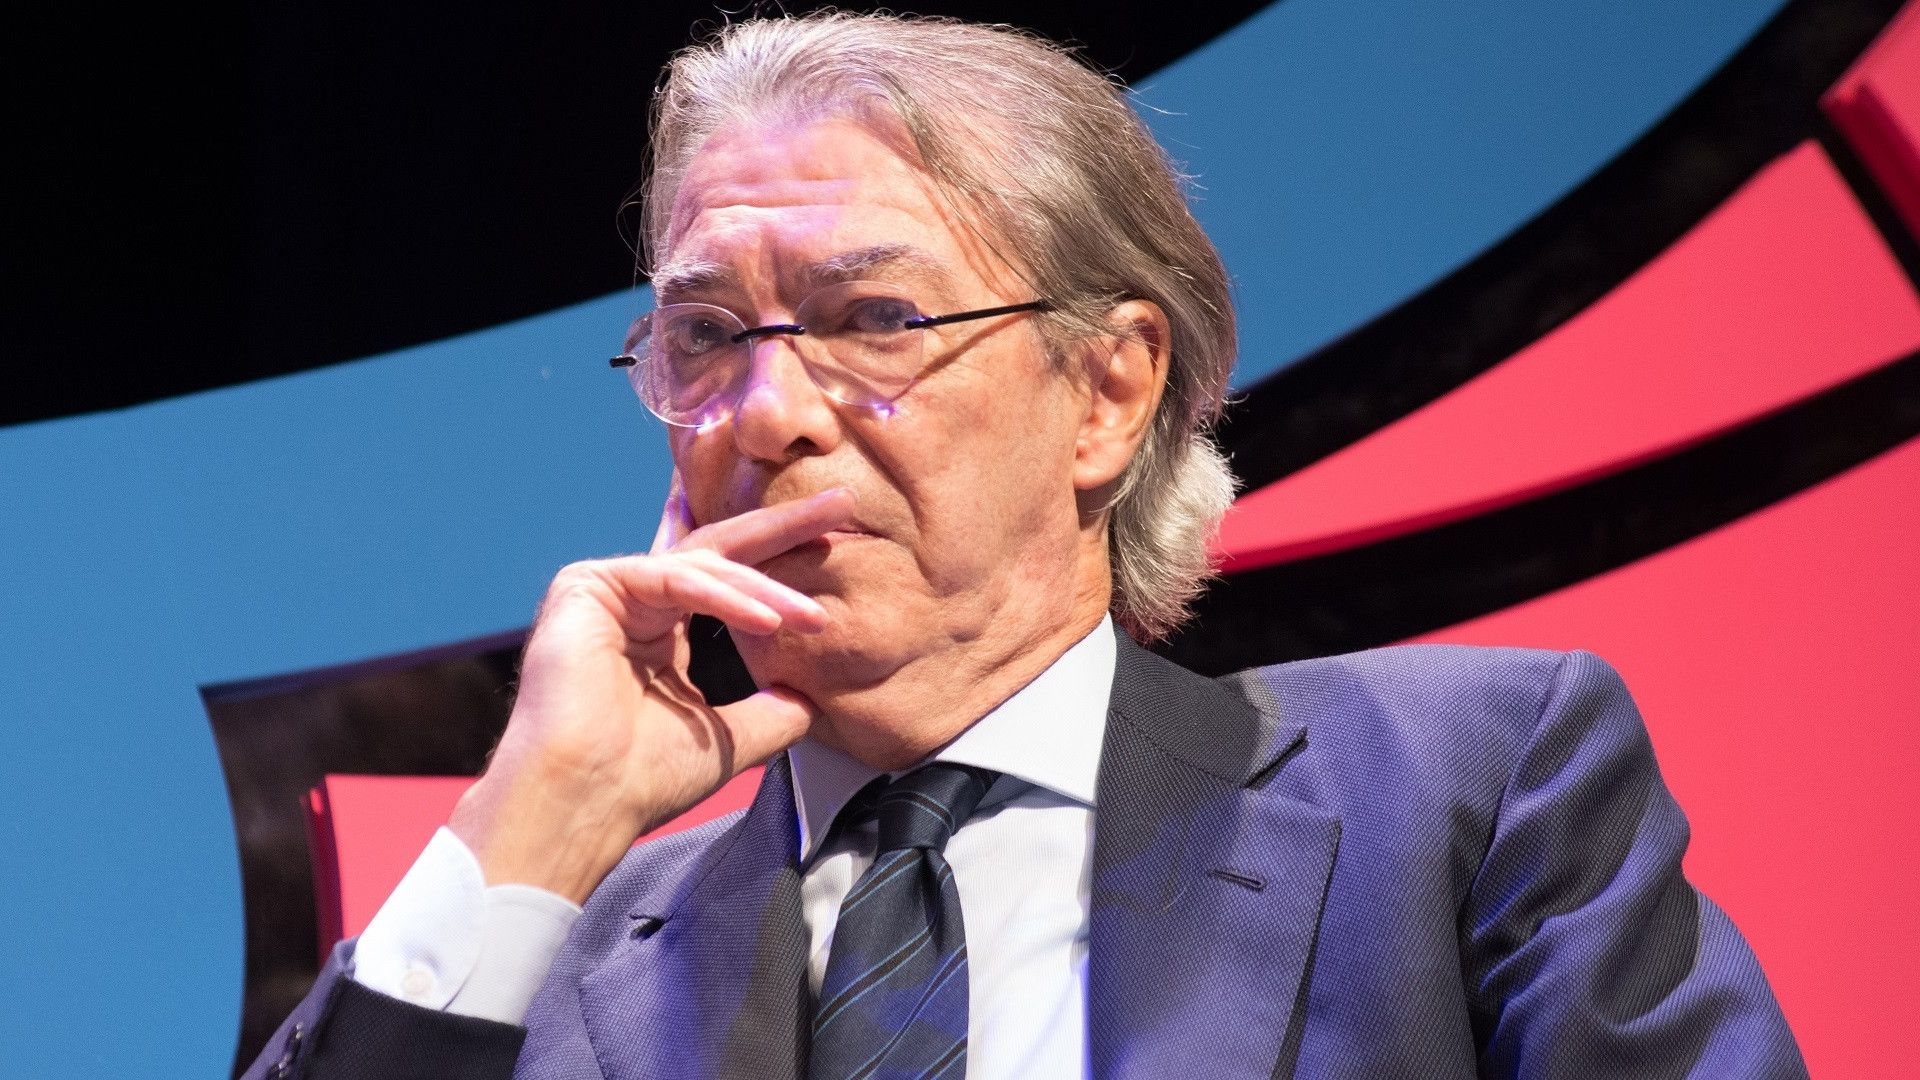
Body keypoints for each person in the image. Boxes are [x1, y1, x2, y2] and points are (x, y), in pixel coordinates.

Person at [245, 12, 1807, 1080]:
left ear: (1106, 393)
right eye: (708, 334)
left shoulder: (1462, 790)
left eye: (875, 318)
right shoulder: (541, 965)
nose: (765, 413)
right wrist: (538, 812)